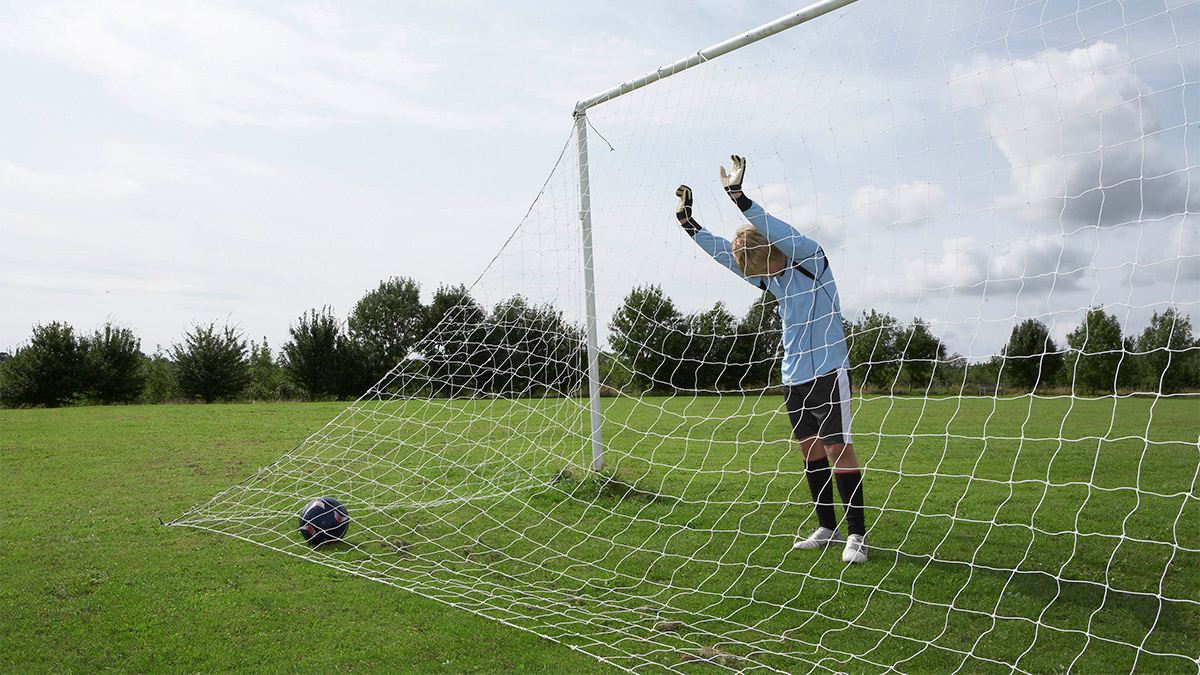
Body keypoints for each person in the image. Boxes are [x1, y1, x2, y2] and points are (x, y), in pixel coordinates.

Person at [674, 155, 868, 563]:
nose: (765, 274)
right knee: (811, 451)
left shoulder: (810, 259)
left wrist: (739, 198)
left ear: (773, 249)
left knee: (837, 449)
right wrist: (689, 225)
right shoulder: (772, 276)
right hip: (793, 377)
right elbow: (725, 256)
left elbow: (778, 230)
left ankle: (856, 536)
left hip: (830, 371)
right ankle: (827, 528)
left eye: (765, 264)